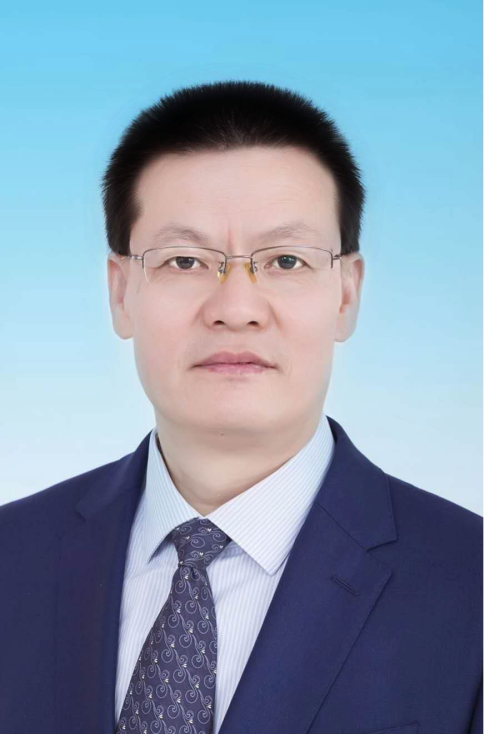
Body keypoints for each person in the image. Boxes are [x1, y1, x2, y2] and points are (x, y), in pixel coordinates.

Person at [0, 80, 481, 734]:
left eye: (285, 260)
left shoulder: (470, 584)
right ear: (121, 292)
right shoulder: (12, 557)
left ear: (346, 294)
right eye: (184, 261)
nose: (235, 308)